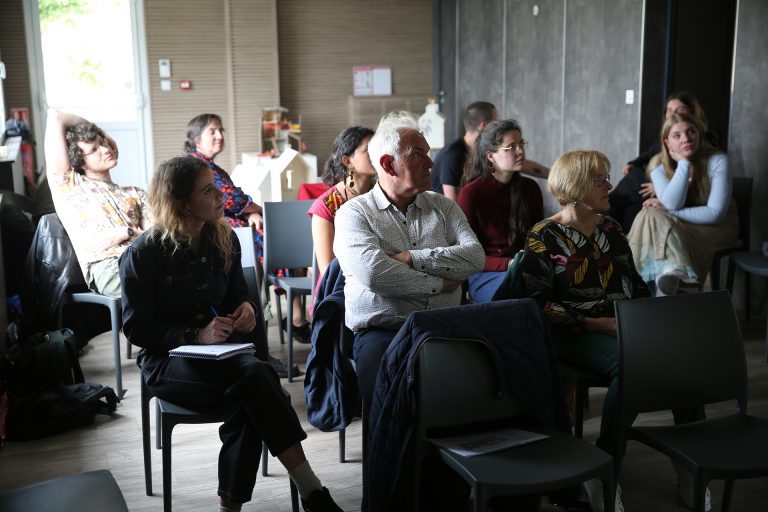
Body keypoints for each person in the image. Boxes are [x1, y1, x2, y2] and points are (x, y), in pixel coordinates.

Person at [119, 155, 343, 512]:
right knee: (256, 378)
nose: (221, 196)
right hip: (166, 363)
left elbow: (237, 293)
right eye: (208, 191)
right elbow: (137, 328)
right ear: (182, 203)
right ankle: (311, 490)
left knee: (249, 399)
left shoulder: (224, 240)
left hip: (224, 361)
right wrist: (195, 336)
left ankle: (236, 507)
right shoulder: (143, 253)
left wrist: (246, 308)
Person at [519, 150, 707, 512]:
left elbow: (634, 285)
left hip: (621, 325)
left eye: (607, 177)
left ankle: (690, 463)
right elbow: (538, 305)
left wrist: (646, 319)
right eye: (600, 179)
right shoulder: (544, 235)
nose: (610, 185)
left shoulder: (611, 228)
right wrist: (597, 324)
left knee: (681, 359)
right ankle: (606, 467)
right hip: (570, 332)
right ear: (576, 187)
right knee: (630, 366)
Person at [333, 113, 484, 413]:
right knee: (390, 403)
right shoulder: (354, 214)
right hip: (384, 330)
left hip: (444, 324)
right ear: (388, 165)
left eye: (428, 153)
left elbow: (475, 257)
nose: (431, 162)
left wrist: (410, 258)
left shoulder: (443, 206)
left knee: (482, 381)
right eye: (418, 155)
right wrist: (439, 283)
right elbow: (375, 274)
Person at [186, 114, 300, 378]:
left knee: (274, 240)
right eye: (212, 131)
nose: (219, 136)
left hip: (234, 234)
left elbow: (233, 200)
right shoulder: (198, 166)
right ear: (196, 138)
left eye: (221, 130)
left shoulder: (208, 165)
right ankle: (274, 336)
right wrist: (255, 210)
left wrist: (252, 212)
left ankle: (290, 322)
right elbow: (232, 199)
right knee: (271, 245)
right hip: (218, 238)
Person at [44, 110, 152, 299]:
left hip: (146, 258)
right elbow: (56, 116)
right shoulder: (70, 186)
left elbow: (156, 238)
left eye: (103, 142)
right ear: (80, 162)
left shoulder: (136, 193)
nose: (105, 149)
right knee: (163, 286)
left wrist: (126, 233)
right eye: (94, 149)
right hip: (109, 265)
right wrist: (105, 134)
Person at [628, 112, 738, 296]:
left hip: (717, 227)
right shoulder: (658, 165)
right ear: (667, 143)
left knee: (658, 222)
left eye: (691, 131)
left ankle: (637, 283)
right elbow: (672, 203)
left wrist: (670, 212)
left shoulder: (718, 161)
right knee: (649, 213)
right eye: (677, 135)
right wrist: (684, 164)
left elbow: (715, 213)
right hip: (679, 225)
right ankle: (676, 277)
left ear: (699, 133)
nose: (686, 139)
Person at [457, 119, 544, 302]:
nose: (520, 151)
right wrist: (509, 264)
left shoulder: (530, 188)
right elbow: (466, 253)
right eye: (511, 147)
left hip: (525, 268)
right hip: (487, 273)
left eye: (521, 144)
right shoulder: (471, 193)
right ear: (491, 156)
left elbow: (538, 239)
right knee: (517, 294)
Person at [608, 91, 717, 231]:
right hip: (650, 179)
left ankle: (602, 211)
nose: (673, 114)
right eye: (669, 110)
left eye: (680, 110)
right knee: (630, 209)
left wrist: (660, 188)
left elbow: (693, 181)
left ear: (692, 112)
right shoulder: (665, 138)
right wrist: (633, 163)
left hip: (667, 188)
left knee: (623, 194)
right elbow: (648, 154)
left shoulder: (702, 142)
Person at [430, 101, 549, 201]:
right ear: (484, 126)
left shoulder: (529, 186)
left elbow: (518, 161)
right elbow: (452, 204)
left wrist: (552, 174)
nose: (499, 123)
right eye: (496, 120)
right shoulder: (452, 155)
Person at [308, 126, 376, 281]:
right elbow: (328, 272)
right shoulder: (326, 206)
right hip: (341, 287)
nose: (377, 153)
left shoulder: (382, 195)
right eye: (368, 150)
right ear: (348, 161)